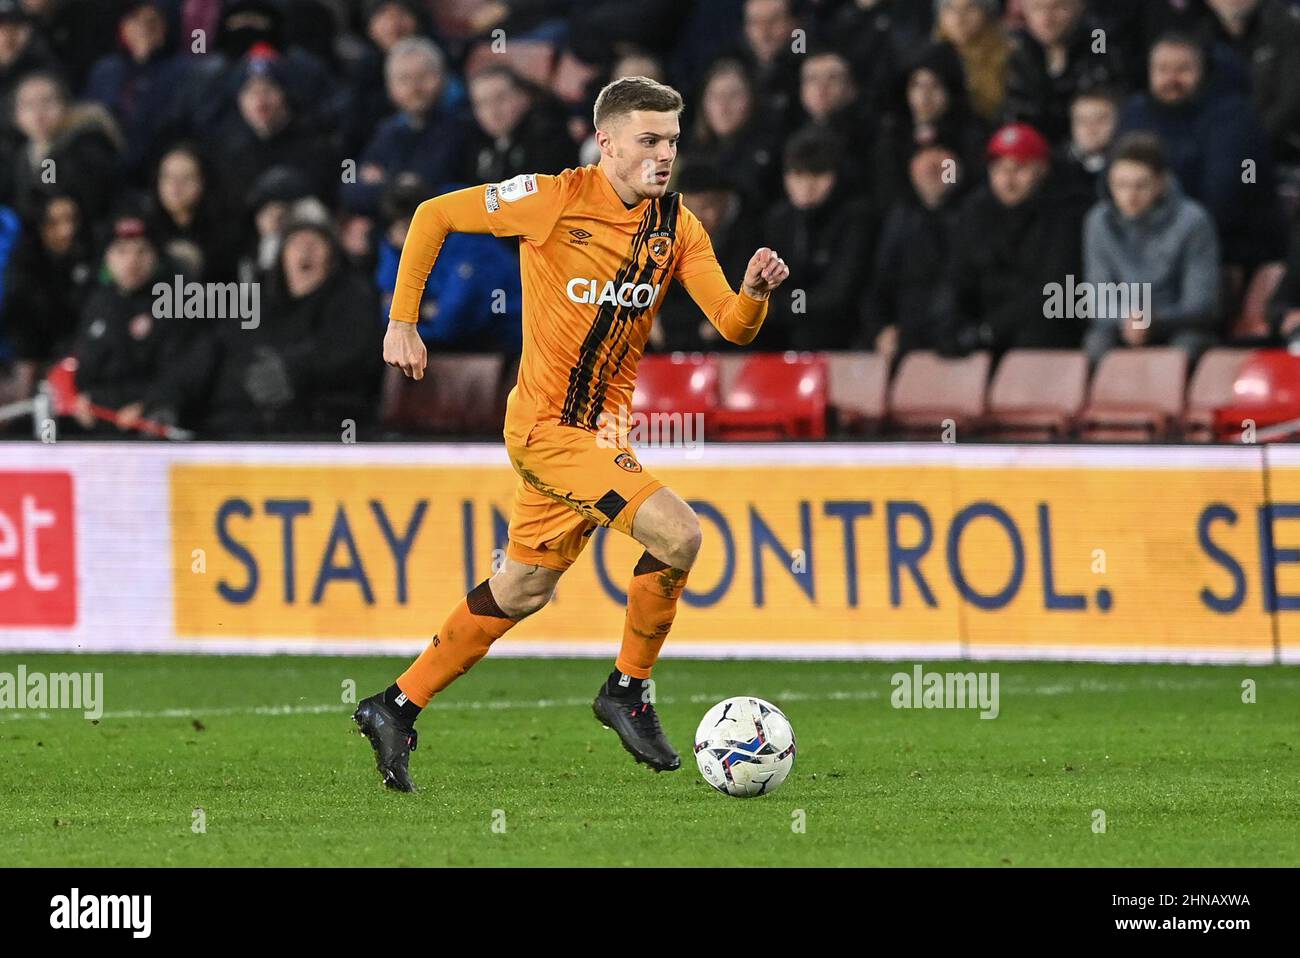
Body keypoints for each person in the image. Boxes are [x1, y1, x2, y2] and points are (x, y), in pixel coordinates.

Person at [355, 75, 790, 791]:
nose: (663, 156)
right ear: (607, 141)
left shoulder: (676, 226)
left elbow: (734, 327)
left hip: (601, 436)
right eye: (649, 141)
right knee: (679, 535)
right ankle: (628, 690)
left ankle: (395, 705)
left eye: (673, 142)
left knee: (523, 588)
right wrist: (402, 321)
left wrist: (754, 291)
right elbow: (433, 214)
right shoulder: (551, 198)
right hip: (548, 430)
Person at [1081, 132, 1221, 365]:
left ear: (1160, 183)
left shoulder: (1194, 221)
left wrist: (1152, 321)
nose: (1130, 196)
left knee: (1185, 347)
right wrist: (1128, 319)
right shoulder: (1098, 221)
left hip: (1178, 324)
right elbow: (1098, 296)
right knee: (1096, 343)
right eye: (1120, 185)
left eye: (1140, 185)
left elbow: (1201, 303)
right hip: (1123, 323)